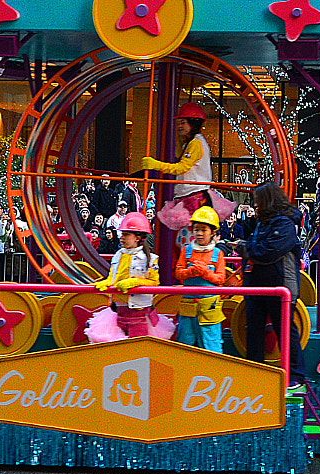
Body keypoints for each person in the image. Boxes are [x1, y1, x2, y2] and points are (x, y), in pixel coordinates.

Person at [242, 184, 304, 379]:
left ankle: (296, 376)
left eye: (258, 201)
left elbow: (267, 252)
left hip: (280, 285)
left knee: (285, 332)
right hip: (257, 285)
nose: (255, 206)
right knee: (253, 333)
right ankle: (256, 375)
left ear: (268, 201)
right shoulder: (263, 223)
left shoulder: (284, 224)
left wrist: (247, 249)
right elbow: (256, 247)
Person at [141, 100, 217, 228]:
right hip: (192, 196)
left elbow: (182, 167)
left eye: (183, 123)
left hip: (194, 197)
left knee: (190, 236)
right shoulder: (192, 143)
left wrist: (156, 165)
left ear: (193, 124)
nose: (179, 127)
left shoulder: (196, 143)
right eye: (179, 123)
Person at [174, 205, 233, 353]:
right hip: (188, 309)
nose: (199, 233)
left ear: (212, 232)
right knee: (184, 345)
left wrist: (205, 272)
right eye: (196, 229)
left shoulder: (218, 253)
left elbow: (220, 279)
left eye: (203, 230)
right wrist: (189, 272)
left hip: (209, 310)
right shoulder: (186, 250)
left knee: (211, 346)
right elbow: (178, 273)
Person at [94, 212, 158, 339]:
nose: (122, 237)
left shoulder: (150, 259)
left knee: (137, 351)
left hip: (139, 313)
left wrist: (135, 282)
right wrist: (107, 283)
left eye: (126, 234)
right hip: (118, 311)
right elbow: (113, 277)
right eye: (122, 234)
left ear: (138, 237)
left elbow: (154, 282)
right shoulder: (118, 255)